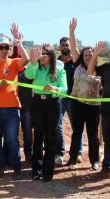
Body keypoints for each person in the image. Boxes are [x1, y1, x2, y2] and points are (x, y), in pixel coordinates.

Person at [0, 24, 29, 180]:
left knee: (12, 139)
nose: (4, 49)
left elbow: (27, 59)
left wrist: (19, 42)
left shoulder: (14, 62)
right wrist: (0, 85)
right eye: (1, 47)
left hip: (12, 107)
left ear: (10, 49)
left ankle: (16, 167)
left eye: (7, 47)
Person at [25, 44, 67, 182]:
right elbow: (28, 75)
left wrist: (54, 88)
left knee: (51, 137)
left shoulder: (59, 69)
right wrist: (33, 61)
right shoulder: (35, 66)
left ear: (51, 55)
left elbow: (64, 89)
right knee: (37, 136)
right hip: (37, 103)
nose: (42, 56)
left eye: (45, 54)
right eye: (40, 54)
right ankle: (36, 170)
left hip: (53, 104)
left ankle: (48, 172)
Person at [67, 18, 101, 170]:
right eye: (86, 54)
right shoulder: (78, 64)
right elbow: (74, 48)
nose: (87, 56)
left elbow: (90, 71)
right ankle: (73, 158)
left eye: (90, 54)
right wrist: (72, 31)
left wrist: (94, 55)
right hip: (77, 103)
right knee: (77, 132)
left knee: (92, 135)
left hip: (92, 106)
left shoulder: (97, 70)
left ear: (94, 56)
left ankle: (94, 161)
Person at [56, 36, 80, 165]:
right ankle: (60, 153)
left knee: (76, 127)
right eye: (63, 45)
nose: (65, 47)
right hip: (59, 98)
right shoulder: (57, 61)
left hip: (73, 98)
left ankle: (78, 152)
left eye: (67, 45)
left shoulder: (76, 60)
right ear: (60, 47)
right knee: (57, 125)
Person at [87, 41, 109, 177]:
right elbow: (90, 71)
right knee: (108, 138)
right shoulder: (106, 67)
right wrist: (95, 54)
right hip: (107, 109)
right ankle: (107, 165)